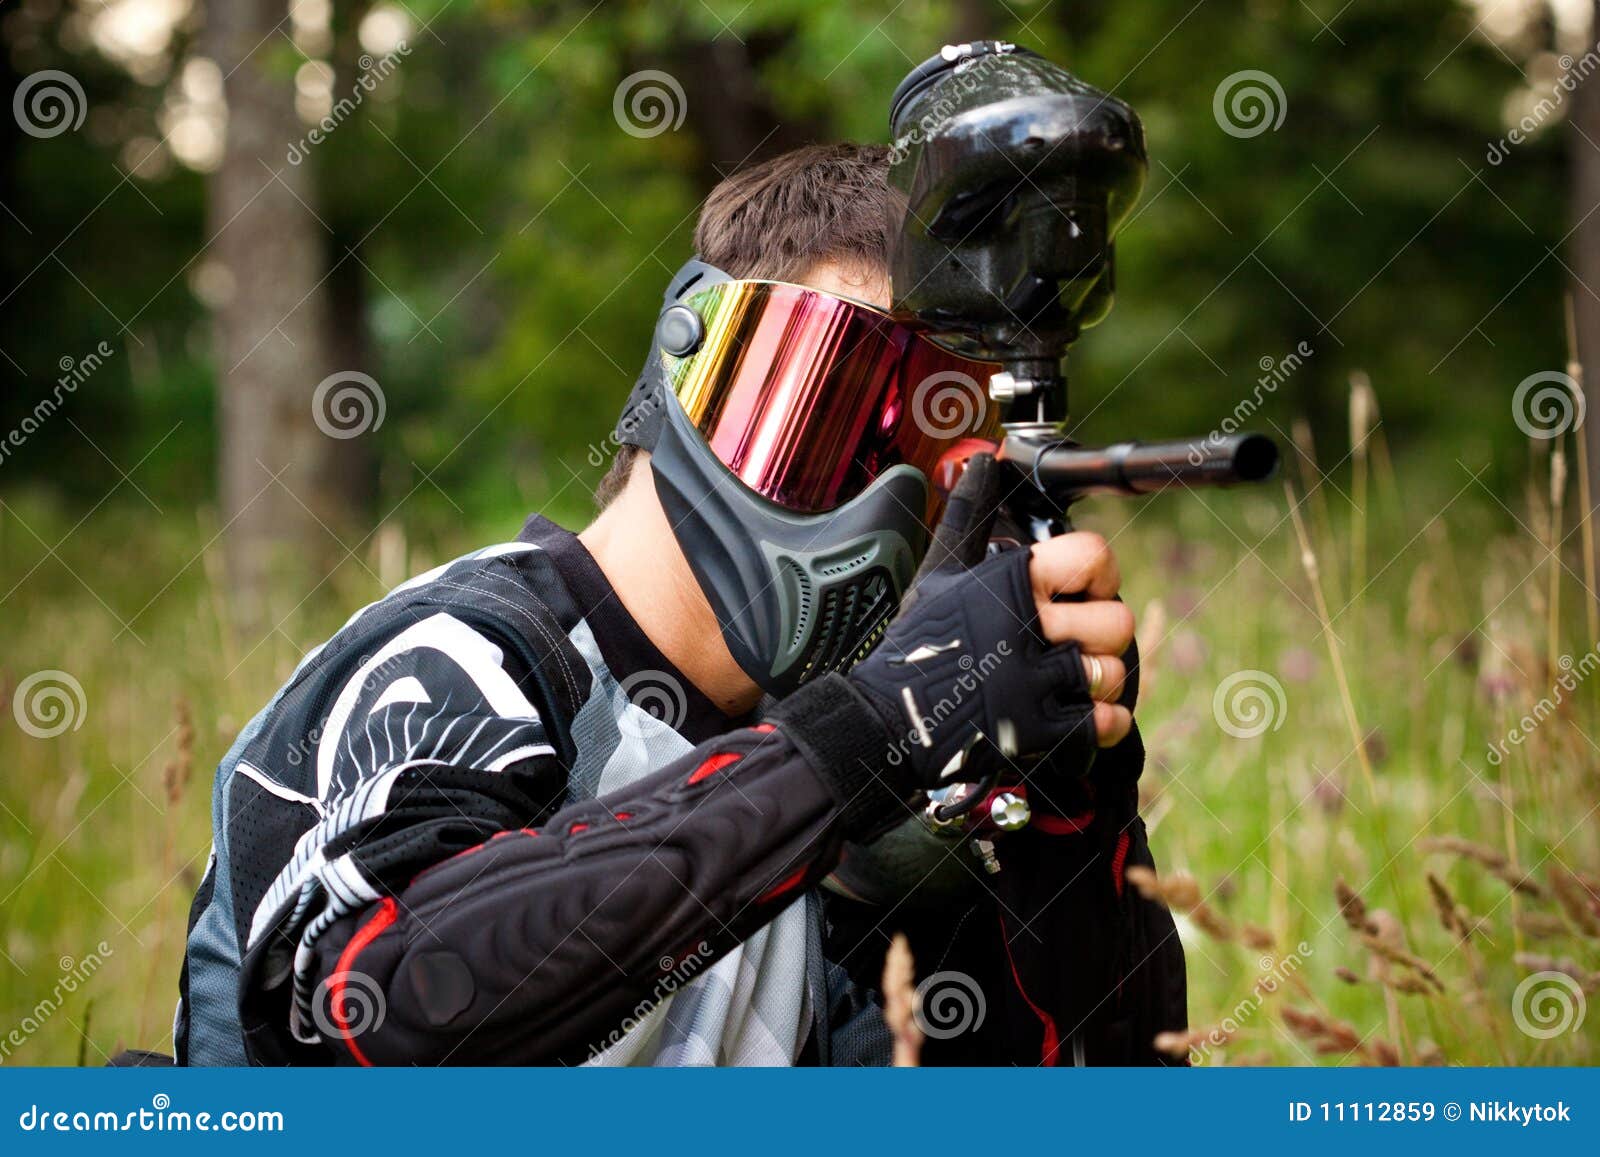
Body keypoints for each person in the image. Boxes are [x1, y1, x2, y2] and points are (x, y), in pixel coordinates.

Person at [174, 143, 1187, 1067]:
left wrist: (1068, 815)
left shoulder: (849, 785)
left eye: (931, 451)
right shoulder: (470, 653)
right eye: (834, 405)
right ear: (688, 362)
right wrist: (873, 730)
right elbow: (386, 1003)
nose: (886, 497)